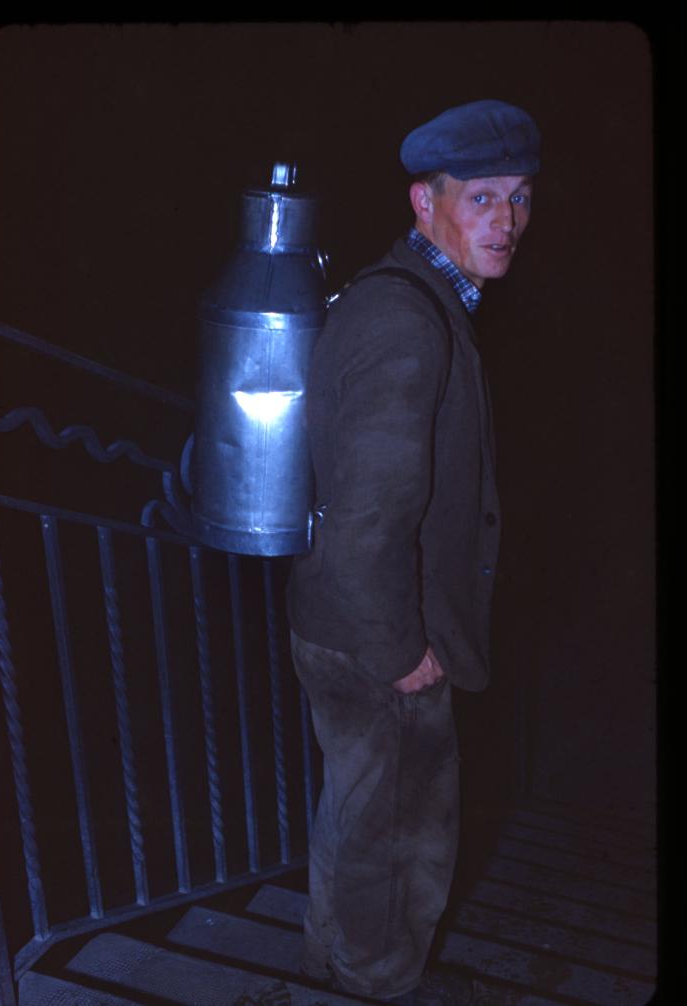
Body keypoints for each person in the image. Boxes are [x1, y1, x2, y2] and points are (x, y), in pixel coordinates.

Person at [287, 99, 540, 1002]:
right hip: (382, 631)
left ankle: (333, 968)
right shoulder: (407, 319)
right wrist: (401, 651)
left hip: (343, 616)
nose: (508, 220)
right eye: (482, 198)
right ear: (425, 202)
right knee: (403, 844)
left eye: (520, 197)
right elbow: (369, 515)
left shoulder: (407, 297)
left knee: (361, 818)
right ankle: (376, 984)